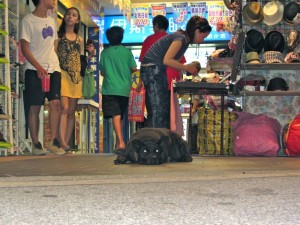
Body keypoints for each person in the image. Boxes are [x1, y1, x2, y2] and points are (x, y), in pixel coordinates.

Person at [140, 16, 212, 128]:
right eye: (204, 36)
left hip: (156, 70)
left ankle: (158, 140)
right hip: (152, 69)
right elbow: (167, 60)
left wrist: (186, 68)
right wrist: (186, 67)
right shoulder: (181, 38)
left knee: (161, 110)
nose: (203, 40)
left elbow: (174, 63)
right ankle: (152, 142)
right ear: (197, 31)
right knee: (157, 111)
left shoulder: (184, 40)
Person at [20, 0, 65, 155]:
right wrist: (38, 66)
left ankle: (54, 141)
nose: (54, 1)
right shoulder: (28, 20)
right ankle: (36, 144)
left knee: (56, 103)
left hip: (53, 68)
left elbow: (54, 45)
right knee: (35, 106)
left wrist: (53, 62)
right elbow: (24, 47)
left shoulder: (52, 21)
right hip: (34, 69)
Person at [55, 7, 95, 151]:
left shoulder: (79, 39)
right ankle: (62, 142)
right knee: (64, 108)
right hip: (62, 74)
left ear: (77, 20)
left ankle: (66, 141)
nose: (70, 17)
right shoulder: (58, 37)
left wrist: (90, 55)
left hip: (76, 77)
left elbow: (80, 60)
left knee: (72, 111)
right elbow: (54, 56)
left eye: (74, 15)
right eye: (68, 14)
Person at [99, 26, 137, 151]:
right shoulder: (127, 52)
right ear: (121, 37)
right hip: (124, 89)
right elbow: (133, 69)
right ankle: (118, 143)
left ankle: (120, 142)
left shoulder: (105, 53)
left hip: (110, 88)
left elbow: (102, 72)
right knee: (119, 115)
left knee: (115, 114)